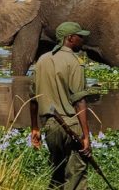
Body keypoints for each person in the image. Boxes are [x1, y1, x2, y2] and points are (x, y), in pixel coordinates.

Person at [30, 22, 91, 190]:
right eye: (80, 36)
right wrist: (86, 136)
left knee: (58, 171)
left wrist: (35, 128)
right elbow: (79, 101)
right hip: (71, 125)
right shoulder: (75, 62)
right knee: (77, 172)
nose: (83, 40)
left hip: (50, 127)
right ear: (70, 38)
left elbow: (33, 99)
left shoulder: (42, 60)